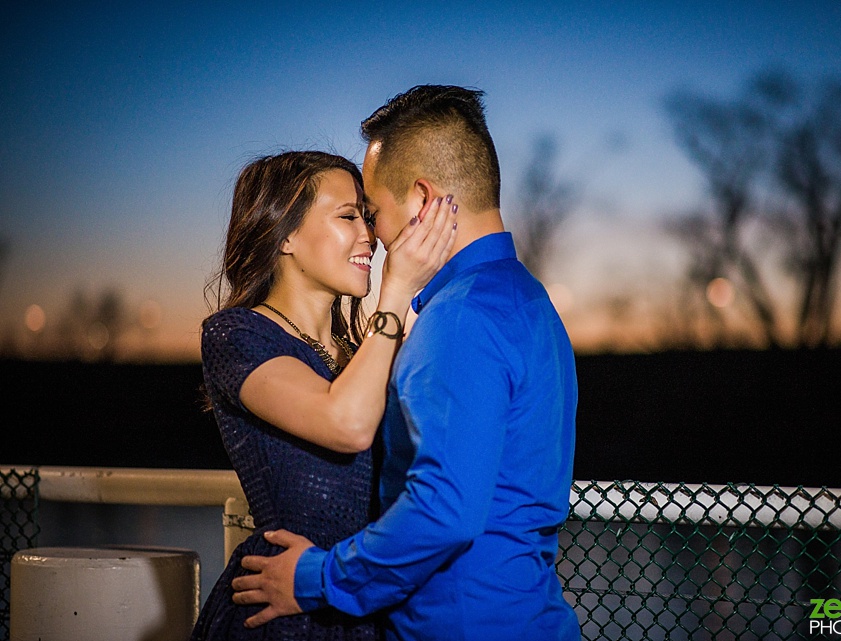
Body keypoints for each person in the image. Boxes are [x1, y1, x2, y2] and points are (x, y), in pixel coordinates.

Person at [232, 85, 581, 640]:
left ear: (422, 200)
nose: (374, 234)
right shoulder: (528, 301)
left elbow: (444, 512)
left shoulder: (460, 317)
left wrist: (318, 578)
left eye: (371, 212)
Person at [191, 149, 457, 640]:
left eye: (368, 217)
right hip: (282, 612)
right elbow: (347, 424)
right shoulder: (235, 336)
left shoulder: (363, 351)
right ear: (286, 234)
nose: (369, 237)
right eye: (347, 216)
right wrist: (394, 293)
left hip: (357, 596)